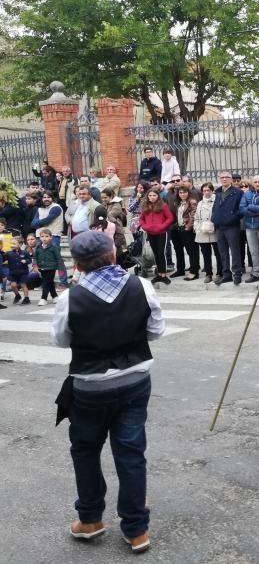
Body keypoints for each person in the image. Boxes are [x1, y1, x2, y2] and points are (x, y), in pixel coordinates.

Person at [51, 230, 164, 554]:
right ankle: (137, 528)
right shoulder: (140, 286)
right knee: (130, 451)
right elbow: (156, 330)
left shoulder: (69, 298)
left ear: (79, 265)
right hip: (134, 379)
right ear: (113, 255)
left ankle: (90, 520)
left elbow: (60, 340)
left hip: (90, 385)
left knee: (86, 450)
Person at [211, 171, 243, 286]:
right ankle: (226, 274)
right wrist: (214, 219)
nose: (224, 179)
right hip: (219, 227)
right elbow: (215, 208)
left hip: (231, 226)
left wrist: (231, 218)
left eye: (227, 177)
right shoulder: (218, 192)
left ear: (231, 179)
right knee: (222, 252)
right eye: (222, 177)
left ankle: (237, 274)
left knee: (234, 251)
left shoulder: (237, 192)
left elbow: (241, 210)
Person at [138, 189, 174, 285]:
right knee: (155, 254)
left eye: (154, 195)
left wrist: (162, 226)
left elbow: (170, 218)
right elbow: (141, 219)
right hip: (150, 233)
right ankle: (159, 274)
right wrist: (145, 226)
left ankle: (164, 274)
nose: (152, 197)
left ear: (157, 196)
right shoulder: (145, 206)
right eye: (150, 195)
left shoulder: (163, 205)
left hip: (161, 233)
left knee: (161, 253)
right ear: (148, 196)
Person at [169, 186, 200, 280]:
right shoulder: (178, 203)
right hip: (178, 228)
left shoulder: (192, 202)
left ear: (188, 193)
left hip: (188, 230)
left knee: (192, 251)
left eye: (185, 192)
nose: (183, 194)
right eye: (181, 192)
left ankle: (194, 272)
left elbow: (194, 215)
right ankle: (180, 270)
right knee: (178, 250)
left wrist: (188, 227)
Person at [194, 183, 219, 283]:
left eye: (208, 190)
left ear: (212, 191)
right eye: (204, 190)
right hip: (202, 231)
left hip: (214, 231)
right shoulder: (200, 203)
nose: (206, 192)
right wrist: (196, 227)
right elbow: (196, 217)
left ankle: (219, 273)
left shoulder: (217, 200)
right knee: (205, 254)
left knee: (218, 253)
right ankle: (208, 274)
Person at [35, 228, 65, 306]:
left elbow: (59, 258)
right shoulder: (38, 248)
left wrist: (61, 269)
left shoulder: (54, 247)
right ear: (40, 237)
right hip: (42, 268)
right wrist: (35, 265)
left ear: (51, 237)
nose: (44, 238)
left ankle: (43, 298)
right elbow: (35, 258)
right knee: (50, 282)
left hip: (51, 268)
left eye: (47, 236)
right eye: (42, 236)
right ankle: (54, 296)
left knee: (46, 283)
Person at [7, 237, 32, 305]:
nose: (12, 245)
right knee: (13, 285)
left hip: (23, 272)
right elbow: (3, 258)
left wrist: (25, 261)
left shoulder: (25, 252)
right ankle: (17, 296)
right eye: (11, 243)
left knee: (23, 284)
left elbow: (29, 260)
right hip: (13, 273)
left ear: (20, 244)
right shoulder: (8, 253)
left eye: (14, 243)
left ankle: (26, 298)